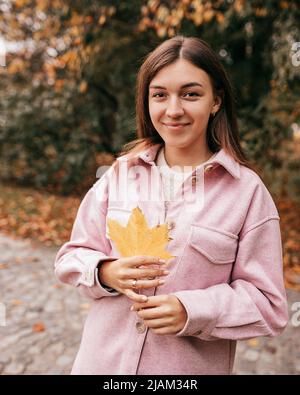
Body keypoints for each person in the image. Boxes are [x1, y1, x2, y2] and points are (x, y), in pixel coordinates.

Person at [54, 36, 288, 375]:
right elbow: (70, 257)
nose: (173, 109)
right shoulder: (119, 174)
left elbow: (269, 306)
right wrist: (105, 272)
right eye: (160, 95)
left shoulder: (248, 193)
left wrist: (192, 310)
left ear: (215, 102)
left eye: (190, 94)